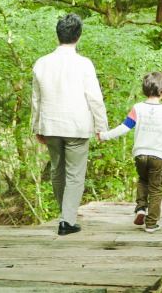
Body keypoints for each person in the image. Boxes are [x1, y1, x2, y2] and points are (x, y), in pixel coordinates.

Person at [31, 13, 107, 236]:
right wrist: (101, 126)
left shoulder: (41, 63)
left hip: (51, 125)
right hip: (77, 125)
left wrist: (36, 126)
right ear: (78, 37)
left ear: (58, 35)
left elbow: (35, 99)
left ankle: (64, 214)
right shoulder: (84, 64)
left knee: (57, 170)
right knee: (74, 174)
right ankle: (67, 220)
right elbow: (95, 97)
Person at [99, 71, 162, 232]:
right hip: (158, 155)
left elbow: (124, 128)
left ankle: (141, 208)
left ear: (144, 90)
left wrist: (104, 135)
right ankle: (151, 223)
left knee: (143, 180)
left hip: (140, 154)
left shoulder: (138, 108)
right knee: (156, 188)